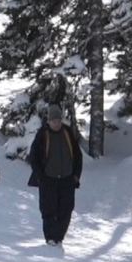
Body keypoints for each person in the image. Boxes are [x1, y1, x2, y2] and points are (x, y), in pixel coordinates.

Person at [27, 104, 83, 246]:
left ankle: (59, 237)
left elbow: (78, 156)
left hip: (67, 180)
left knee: (66, 210)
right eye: (54, 121)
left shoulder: (68, 133)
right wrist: (41, 178)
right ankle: (51, 238)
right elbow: (34, 157)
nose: (57, 124)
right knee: (48, 210)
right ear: (49, 121)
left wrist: (75, 176)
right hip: (48, 180)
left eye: (59, 121)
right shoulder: (42, 134)